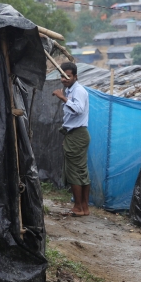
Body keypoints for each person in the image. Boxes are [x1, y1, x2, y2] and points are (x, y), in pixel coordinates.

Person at [52, 62, 90, 216]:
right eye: (62, 75)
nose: (64, 79)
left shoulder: (78, 91)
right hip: (74, 134)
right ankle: (84, 207)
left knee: (74, 172)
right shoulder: (70, 90)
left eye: (68, 76)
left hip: (78, 134)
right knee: (81, 171)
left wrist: (63, 98)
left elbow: (79, 109)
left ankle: (79, 207)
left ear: (75, 76)